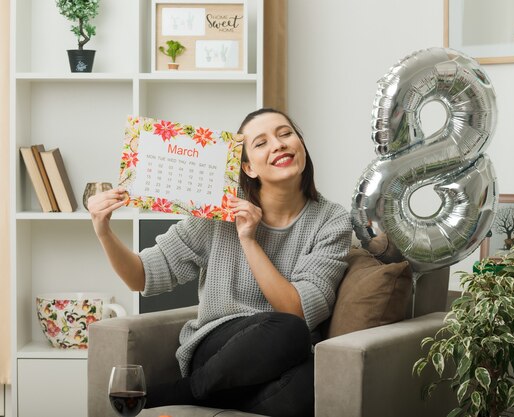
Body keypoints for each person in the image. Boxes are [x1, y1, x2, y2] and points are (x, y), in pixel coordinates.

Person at [87, 108, 353, 417]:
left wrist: (249, 241)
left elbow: (297, 309)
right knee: (292, 332)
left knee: (311, 377)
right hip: (218, 348)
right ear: (248, 168)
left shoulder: (332, 220)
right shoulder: (220, 207)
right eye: (261, 143)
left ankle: (194, 395)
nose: (278, 145)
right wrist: (103, 231)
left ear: (301, 145)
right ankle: (189, 389)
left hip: (279, 354)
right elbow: (142, 277)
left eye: (285, 134)